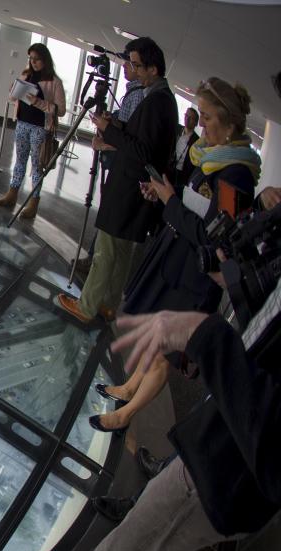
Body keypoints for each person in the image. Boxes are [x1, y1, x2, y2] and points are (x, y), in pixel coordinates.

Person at [0, 276, 281, 551]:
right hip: (215, 448)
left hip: (217, 477)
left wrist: (207, 338)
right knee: (146, 523)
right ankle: (136, 503)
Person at [89, 78, 260, 434]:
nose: (203, 124)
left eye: (210, 118)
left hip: (194, 276)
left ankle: (126, 414)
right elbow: (195, 201)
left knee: (168, 351)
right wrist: (166, 195)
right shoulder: (212, 159)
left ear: (230, 125)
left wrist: (171, 203)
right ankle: (129, 387)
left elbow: (216, 237)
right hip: (177, 261)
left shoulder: (238, 175)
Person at [57, 37, 178, 324]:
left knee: (107, 249)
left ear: (152, 68)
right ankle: (109, 304)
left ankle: (86, 306)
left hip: (128, 186)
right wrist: (119, 127)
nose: (132, 70)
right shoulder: (162, 100)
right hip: (137, 188)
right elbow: (143, 139)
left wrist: (108, 131)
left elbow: (141, 149)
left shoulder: (157, 102)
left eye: (137, 66)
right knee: (122, 251)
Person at [75, 48, 145, 279]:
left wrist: (105, 142)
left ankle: (96, 260)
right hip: (119, 159)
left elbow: (130, 138)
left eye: (130, 63)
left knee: (110, 212)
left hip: (121, 162)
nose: (125, 67)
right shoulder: (133, 92)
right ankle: (96, 257)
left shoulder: (138, 95)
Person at [0, 43, 65, 218]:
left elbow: (61, 110)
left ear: (45, 60)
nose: (33, 62)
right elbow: (13, 99)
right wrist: (14, 90)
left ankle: (33, 203)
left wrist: (37, 102)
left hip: (40, 128)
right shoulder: (26, 75)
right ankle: (12, 193)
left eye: (37, 59)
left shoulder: (55, 82)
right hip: (22, 123)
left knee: (36, 165)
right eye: (31, 59)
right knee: (19, 160)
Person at [172, 107, 200, 197]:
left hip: (182, 175)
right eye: (186, 115)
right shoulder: (176, 129)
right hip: (169, 168)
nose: (187, 119)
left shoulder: (197, 141)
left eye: (190, 118)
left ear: (196, 123)